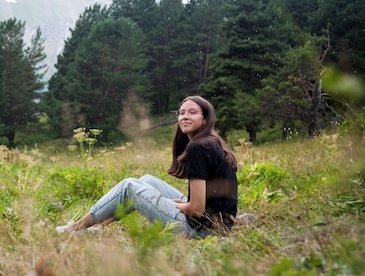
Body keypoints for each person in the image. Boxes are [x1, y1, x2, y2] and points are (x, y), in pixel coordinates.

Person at [57, 95, 238, 238]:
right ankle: (97, 227)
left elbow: (196, 209)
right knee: (146, 181)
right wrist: (175, 203)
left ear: (205, 119)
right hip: (217, 223)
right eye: (181, 113)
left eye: (192, 112)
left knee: (130, 186)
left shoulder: (198, 147)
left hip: (200, 231)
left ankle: (76, 228)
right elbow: (202, 205)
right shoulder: (211, 142)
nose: (185, 117)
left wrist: (169, 203)